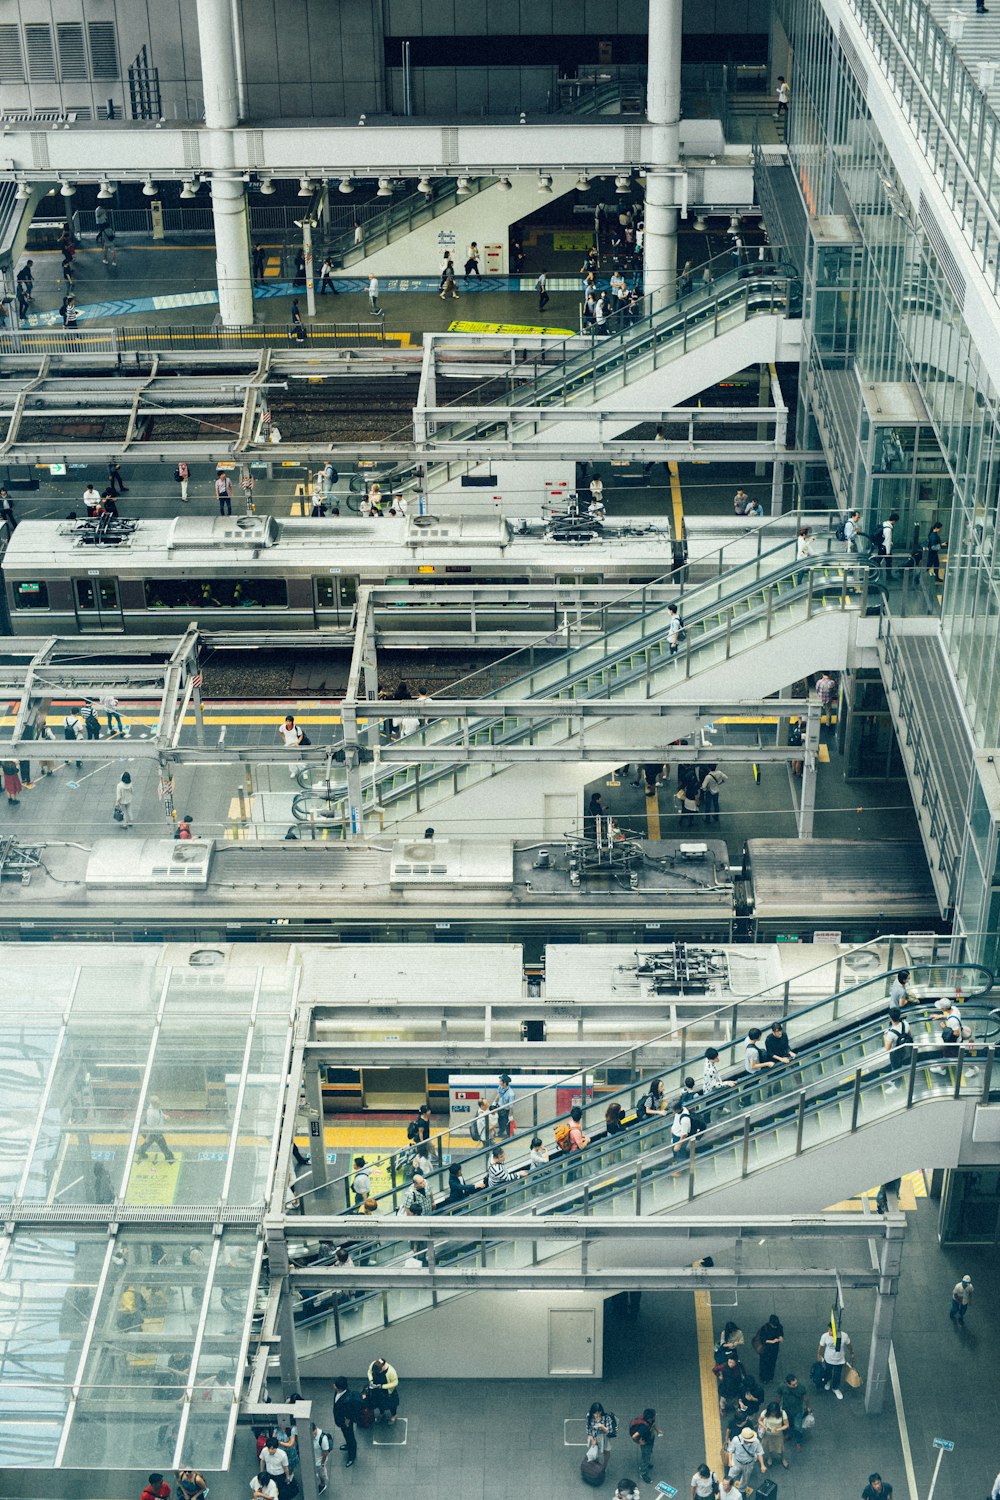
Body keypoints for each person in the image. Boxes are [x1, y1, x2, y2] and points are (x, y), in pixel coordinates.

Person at [137, 1095, 175, 1165]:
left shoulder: (156, 1106)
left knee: (149, 1143)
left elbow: (160, 1112)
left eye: (158, 1100)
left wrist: (164, 1116)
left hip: (157, 1130)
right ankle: (170, 1158)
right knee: (163, 1144)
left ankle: (141, 1151)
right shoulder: (151, 1113)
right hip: (154, 1132)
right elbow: (150, 1127)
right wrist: (147, 1137)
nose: (159, 1102)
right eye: (157, 1101)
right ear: (153, 1103)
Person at [817, 1321, 851, 1397]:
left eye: (831, 1330)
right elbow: (820, 1346)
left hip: (840, 1360)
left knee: (837, 1375)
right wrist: (818, 1355)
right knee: (828, 1372)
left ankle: (835, 1388)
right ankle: (828, 1381)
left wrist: (852, 1353)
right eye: (829, 1329)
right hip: (828, 1359)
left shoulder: (844, 1336)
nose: (829, 1332)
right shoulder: (825, 1336)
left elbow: (849, 1344)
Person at [883, 1006, 913, 1089]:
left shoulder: (890, 1034)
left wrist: (885, 1036)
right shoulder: (905, 1023)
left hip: (895, 1053)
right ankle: (893, 1080)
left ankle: (897, 1086)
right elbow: (909, 1035)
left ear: (890, 1018)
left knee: (896, 1068)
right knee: (897, 1067)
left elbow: (887, 1049)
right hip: (905, 1049)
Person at [780, 1372, 811, 1449]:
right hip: (786, 1410)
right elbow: (778, 1396)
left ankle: (798, 1441)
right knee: (787, 1423)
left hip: (797, 1411)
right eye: (793, 1384)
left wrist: (808, 1407)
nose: (796, 1385)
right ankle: (788, 1434)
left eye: (796, 1383)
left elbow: (805, 1398)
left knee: (798, 1427)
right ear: (787, 1384)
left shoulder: (801, 1388)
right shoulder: (782, 1387)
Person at [332, 1376, 358, 1466]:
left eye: (335, 1385)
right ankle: (348, 1445)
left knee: (350, 1437)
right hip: (341, 1420)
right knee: (346, 1435)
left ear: (339, 1387)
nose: (333, 1385)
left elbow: (349, 1412)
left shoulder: (347, 1399)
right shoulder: (338, 1392)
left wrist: (346, 1422)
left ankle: (352, 1456)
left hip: (346, 1422)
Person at [629, 1409, 661, 1484]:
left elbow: (653, 1424)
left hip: (650, 1439)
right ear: (651, 1417)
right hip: (646, 1443)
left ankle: (646, 1464)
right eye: (654, 1415)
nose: (655, 1416)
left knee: (649, 1453)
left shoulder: (648, 1420)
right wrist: (639, 1442)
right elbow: (634, 1436)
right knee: (645, 1456)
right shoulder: (644, 1427)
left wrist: (657, 1430)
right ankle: (643, 1473)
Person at [366, 1355, 399, 1422]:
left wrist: (382, 1386)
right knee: (379, 1402)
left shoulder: (391, 1371)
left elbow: (395, 1383)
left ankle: (394, 1415)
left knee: (391, 1404)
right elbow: (369, 1371)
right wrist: (371, 1380)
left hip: (387, 1391)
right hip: (377, 1388)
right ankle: (382, 1413)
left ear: (383, 1367)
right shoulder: (374, 1364)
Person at [759, 1400, 789, 1468]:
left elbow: (786, 1425)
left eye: (774, 1412)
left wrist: (778, 1429)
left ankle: (783, 1458)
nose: (772, 1414)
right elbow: (760, 1420)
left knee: (780, 1448)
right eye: (771, 1412)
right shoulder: (765, 1412)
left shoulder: (782, 1413)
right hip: (768, 1434)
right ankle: (770, 1457)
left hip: (778, 1434)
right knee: (770, 1447)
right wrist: (765, 1427)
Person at [755, 1314, 784, 1383]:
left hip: (774, 1349)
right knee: (764, 1363)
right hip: (765, 1349)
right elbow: (763, 1340)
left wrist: (780, 1338)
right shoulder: (764, 1328)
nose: (775, 1326)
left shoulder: (779, 1326)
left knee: (772, 1362)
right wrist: (773, 1341)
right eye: (773, 1325)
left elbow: (781, 1334)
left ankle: (770, 1376)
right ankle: (763, 1377)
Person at [587, 1401, 613, 1472]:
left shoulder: (606, 1418)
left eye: (599, 1413)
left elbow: (609, 1431)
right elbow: (588, 1428)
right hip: (594, 1436)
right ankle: (596, 1464)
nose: (597, 1415)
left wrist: (602, 1426)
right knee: (595, 1450)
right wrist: (592, 1439)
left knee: (606, 1451)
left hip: (604, 1437)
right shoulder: (589, 1416)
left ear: (601, 1412)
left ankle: (605, 1466)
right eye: (595, 1413)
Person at [492, 1072, 515, 1137]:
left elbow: (511, 1106)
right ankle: (501, 1133)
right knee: (500, 1122)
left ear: (504, 1083)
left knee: (507, 1123)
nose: (499, 1082)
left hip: (506, 1110)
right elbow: (499, 1094)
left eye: (500, 1081)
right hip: (499, 1108)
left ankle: (509, 1135)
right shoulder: (500, 1087)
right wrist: (494, 1102)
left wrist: (510, 1115)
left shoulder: (511, 1094)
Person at [311, 1425, 333, 1494]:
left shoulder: (323, 1439)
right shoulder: (311, 1435)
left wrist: (322, 1463)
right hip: (313, 1458)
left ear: (315, 1430)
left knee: (321, 1474)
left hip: (319, 1461)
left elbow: (325, 1453)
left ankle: (322, 1485)